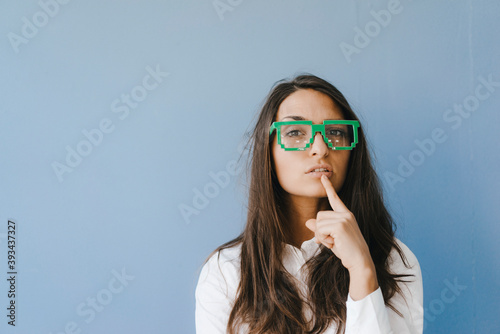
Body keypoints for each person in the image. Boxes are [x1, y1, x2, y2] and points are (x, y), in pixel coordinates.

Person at [195, 74, 423, 333]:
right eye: (294, 133)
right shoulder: (226, 271)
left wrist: (362, 269)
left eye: (335, 132)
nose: (320, 148)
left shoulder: (394, 261)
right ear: (267, 149)